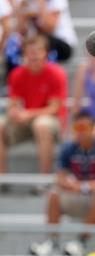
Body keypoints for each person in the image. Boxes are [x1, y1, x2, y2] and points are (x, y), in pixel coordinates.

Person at [30, 110, 95, 256]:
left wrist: (84, 186)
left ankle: (81, 242)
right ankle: (52, 242)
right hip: (78, 195)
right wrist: (70, 185)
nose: (80, 133)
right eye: (77, 128)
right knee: (54, 194)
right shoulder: (69, 147)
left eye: (84, 128)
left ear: (93, 129)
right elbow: (60, 176)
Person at [0, 34, 67, 177]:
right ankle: (2, 177)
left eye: (38, 51)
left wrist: (27, 114)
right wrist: (13, 112)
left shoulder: (56, 73)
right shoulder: (17, 74)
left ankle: (44, 179)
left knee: (41, 125)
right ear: (24, 54)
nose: (34, 55)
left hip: (52, 122)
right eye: (30, 51)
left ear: (46, 53)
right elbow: (14, 103)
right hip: (27, 120)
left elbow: (54, 109)